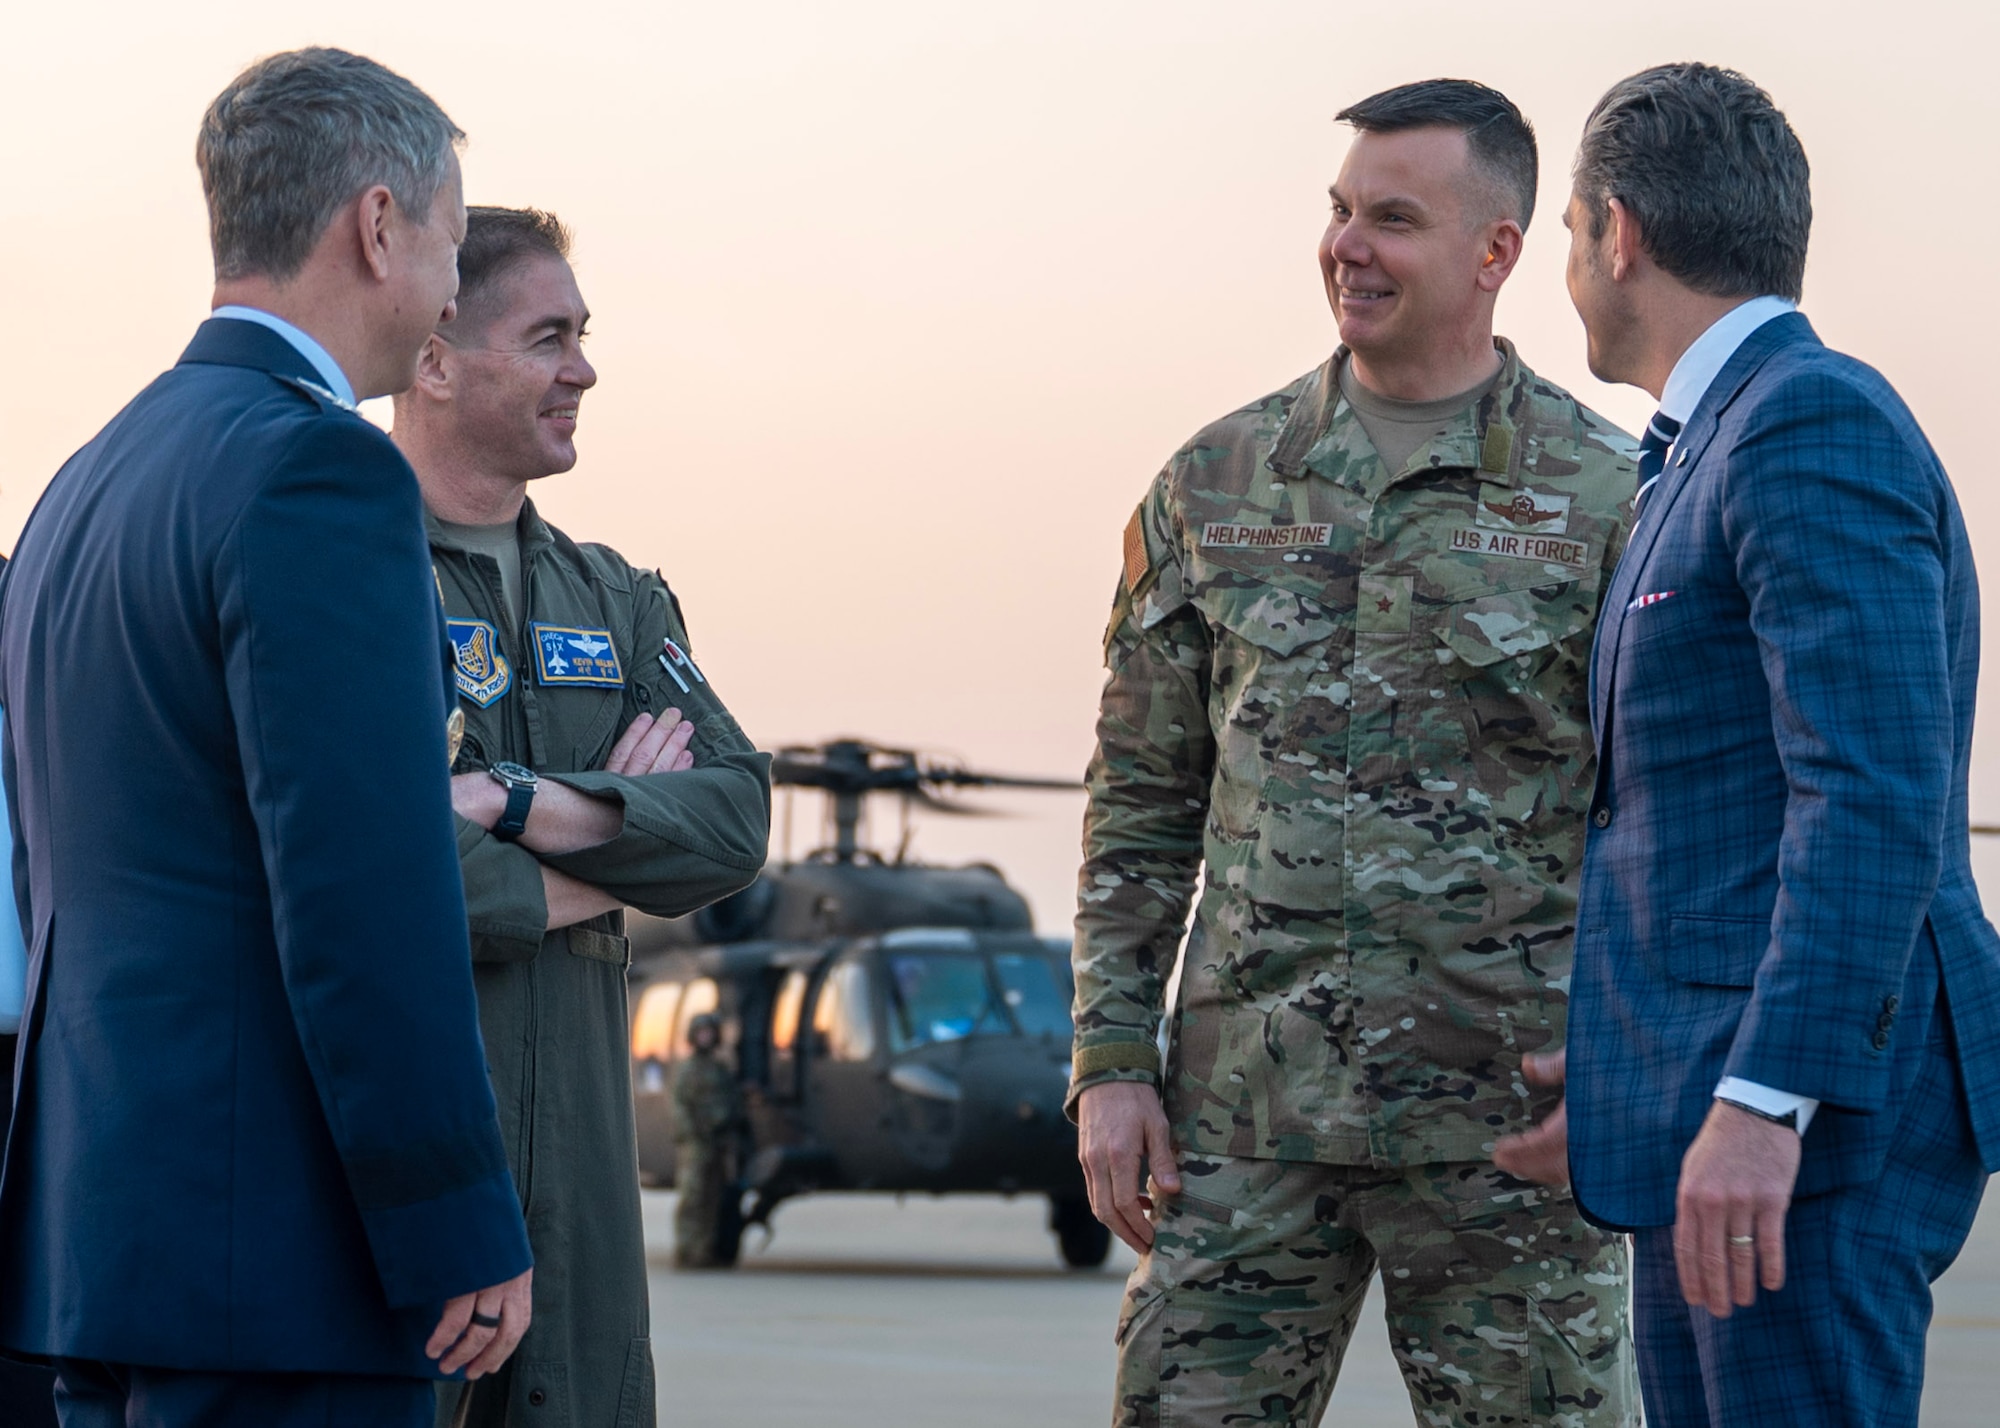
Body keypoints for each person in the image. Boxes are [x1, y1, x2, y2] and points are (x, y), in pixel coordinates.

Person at [1071, 79, 1640, 1427]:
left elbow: (1666, 822)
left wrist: (1643, 1071)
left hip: (1513, 1137)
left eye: (1393, 218)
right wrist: (1108, 1064)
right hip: (1241, 1129)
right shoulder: (1215, 483)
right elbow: (1142, 803)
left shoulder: (1609, 498)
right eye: (1339, 212)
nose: (1348, 246)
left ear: (1497, 252)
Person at [0, 48, 534, 1428]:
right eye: (452, 243)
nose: (452, 289)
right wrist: (457, 1218)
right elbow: (363, 894)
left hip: (98, 1251)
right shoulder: (319, 471)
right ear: (375, 225)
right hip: (281, 1269)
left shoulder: (88, 481)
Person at [1495, 62, 2000, 1427]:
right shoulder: (1712, 443)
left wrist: (1768, 1102)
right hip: (1716, 1105)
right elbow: (1714, 822)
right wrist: (1626, 1077)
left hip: (1811, 1124)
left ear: (1617, 232)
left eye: (1563, 240)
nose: (1570, 272)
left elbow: (1873, 796)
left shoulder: (1804, 423)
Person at [389, 205, 772, 1427]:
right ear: (437, 355)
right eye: (549, 336)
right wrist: (613, 855)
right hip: (416, 1179)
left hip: (589, 1217)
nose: (584, 370)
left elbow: (733, 822)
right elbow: (360, 863)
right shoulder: (343, 574)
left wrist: (516, 801)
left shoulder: (612, 599)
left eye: (582, 334)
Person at [671, 1014, 744, 1268]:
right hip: (696, 1142)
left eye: (709, 1032)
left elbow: (732, 1101)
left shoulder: (719, 1069)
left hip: (718, 1141)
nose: (706, 1037)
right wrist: (691, 1133)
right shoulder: (686, 1069)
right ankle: (687, 1251)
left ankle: (704, 1251)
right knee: (693, 1197)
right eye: (701, 1032)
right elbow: (678, 1105)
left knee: (713, 1196)